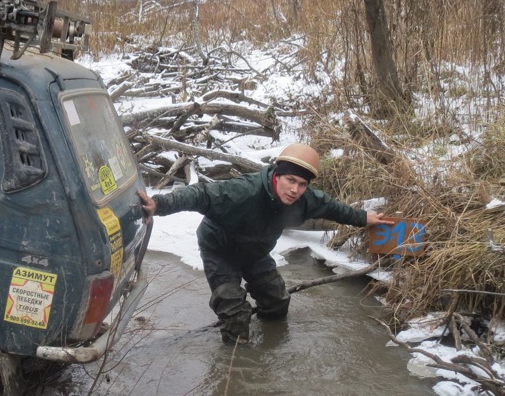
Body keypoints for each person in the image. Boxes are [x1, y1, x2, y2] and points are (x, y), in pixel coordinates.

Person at [137, 143, 393, 344]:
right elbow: (199, 194)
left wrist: (364, 218)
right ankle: (237, 364)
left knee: (278, 303)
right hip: (221, 250)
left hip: (256, 252)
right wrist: (159, 204)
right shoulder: (243, 191)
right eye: (290, 180)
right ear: (277, 176)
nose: (295, 189)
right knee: (235, 314)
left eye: (302, 184)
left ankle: (270, 346)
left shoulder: (306, 200)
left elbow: (334, 209)